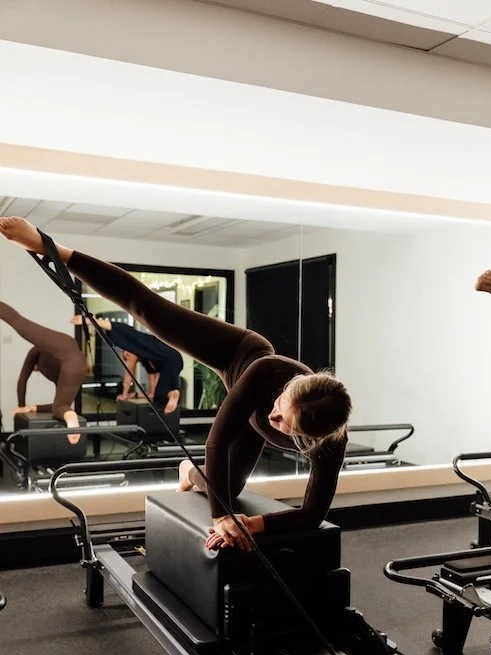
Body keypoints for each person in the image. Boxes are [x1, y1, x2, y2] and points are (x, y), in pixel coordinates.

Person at [0, 217, 352, 551]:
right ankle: (50, 247)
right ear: (290, 386)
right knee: (148, 309)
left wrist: (252, 524)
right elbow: (216, 441)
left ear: (314, 438)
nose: (273, 419)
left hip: (252, 417)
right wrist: (221, 517)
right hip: (237, 354)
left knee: (226, 488)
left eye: (285, 424)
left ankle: (186, 471)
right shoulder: (267, 371)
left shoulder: (330, 443)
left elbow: (312, 514)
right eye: (280, 406)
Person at [0, 301, 87, 445]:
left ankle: (71, 419)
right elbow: (58, 405)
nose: (37, 371)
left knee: (17, 321)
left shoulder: (35, 351)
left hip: (66, 351)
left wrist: (21, 406)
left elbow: (22, 379)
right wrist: (34, 408)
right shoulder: (60, 373)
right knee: (61, 407)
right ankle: (71, 418)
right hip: (79, 361)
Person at [71, 315, 183, 412]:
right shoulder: (149, 361)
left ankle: (91, 320)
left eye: (127, 355)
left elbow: (129, 374)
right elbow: (152, 392)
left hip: (168, 355)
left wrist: (124, 395)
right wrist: (136, 395)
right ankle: (173, 393)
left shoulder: (137, 350)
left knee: (131, 336)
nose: (129, 358)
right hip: (174, 361)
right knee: (160, 397)